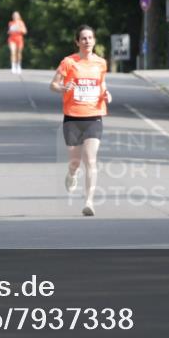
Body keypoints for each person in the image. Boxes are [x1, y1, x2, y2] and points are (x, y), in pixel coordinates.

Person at [50, 25, 111, 217]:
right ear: (77, 42)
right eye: (83, 38)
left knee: (91, 160)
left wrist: (106, 94)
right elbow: (53, 84)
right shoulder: (68, 62)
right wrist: (62, 88)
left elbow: (101, 83)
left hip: (94, 116)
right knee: (75, 162)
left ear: (94, 41)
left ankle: (89, 202)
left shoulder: (101, 63)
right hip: (72, 117)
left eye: (90, 38)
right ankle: (72, 173)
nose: (87, 41)